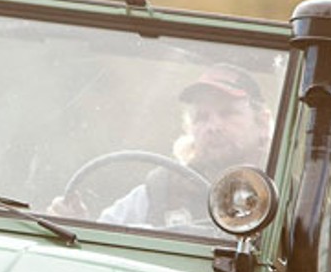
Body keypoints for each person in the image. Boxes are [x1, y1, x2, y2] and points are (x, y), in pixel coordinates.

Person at [68, 62, 274, 229]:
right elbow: (101, 241)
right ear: (189, 129)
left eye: (227, 113)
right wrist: (76, 226)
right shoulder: (159, 190)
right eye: (201, 117)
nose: (213, 126)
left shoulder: (290, 196)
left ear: (262, 124)